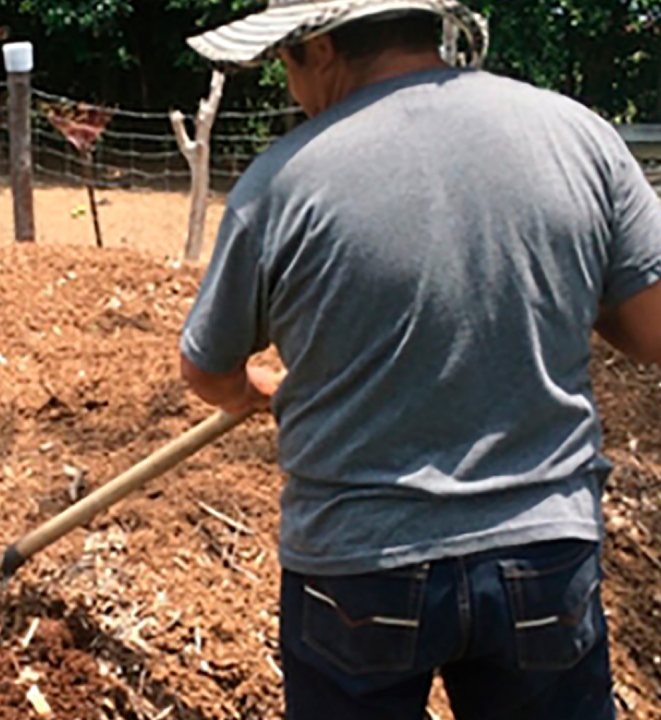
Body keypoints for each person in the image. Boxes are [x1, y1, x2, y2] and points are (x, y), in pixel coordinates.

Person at [178, 2, 661, 719]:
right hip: (542, 551)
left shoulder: (280, 183)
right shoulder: (576, 136)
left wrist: (249, 390)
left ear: (323, 47)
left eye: (287, 62)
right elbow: (651, 331)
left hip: (357, 567)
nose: (290, 89)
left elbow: (207, 369)